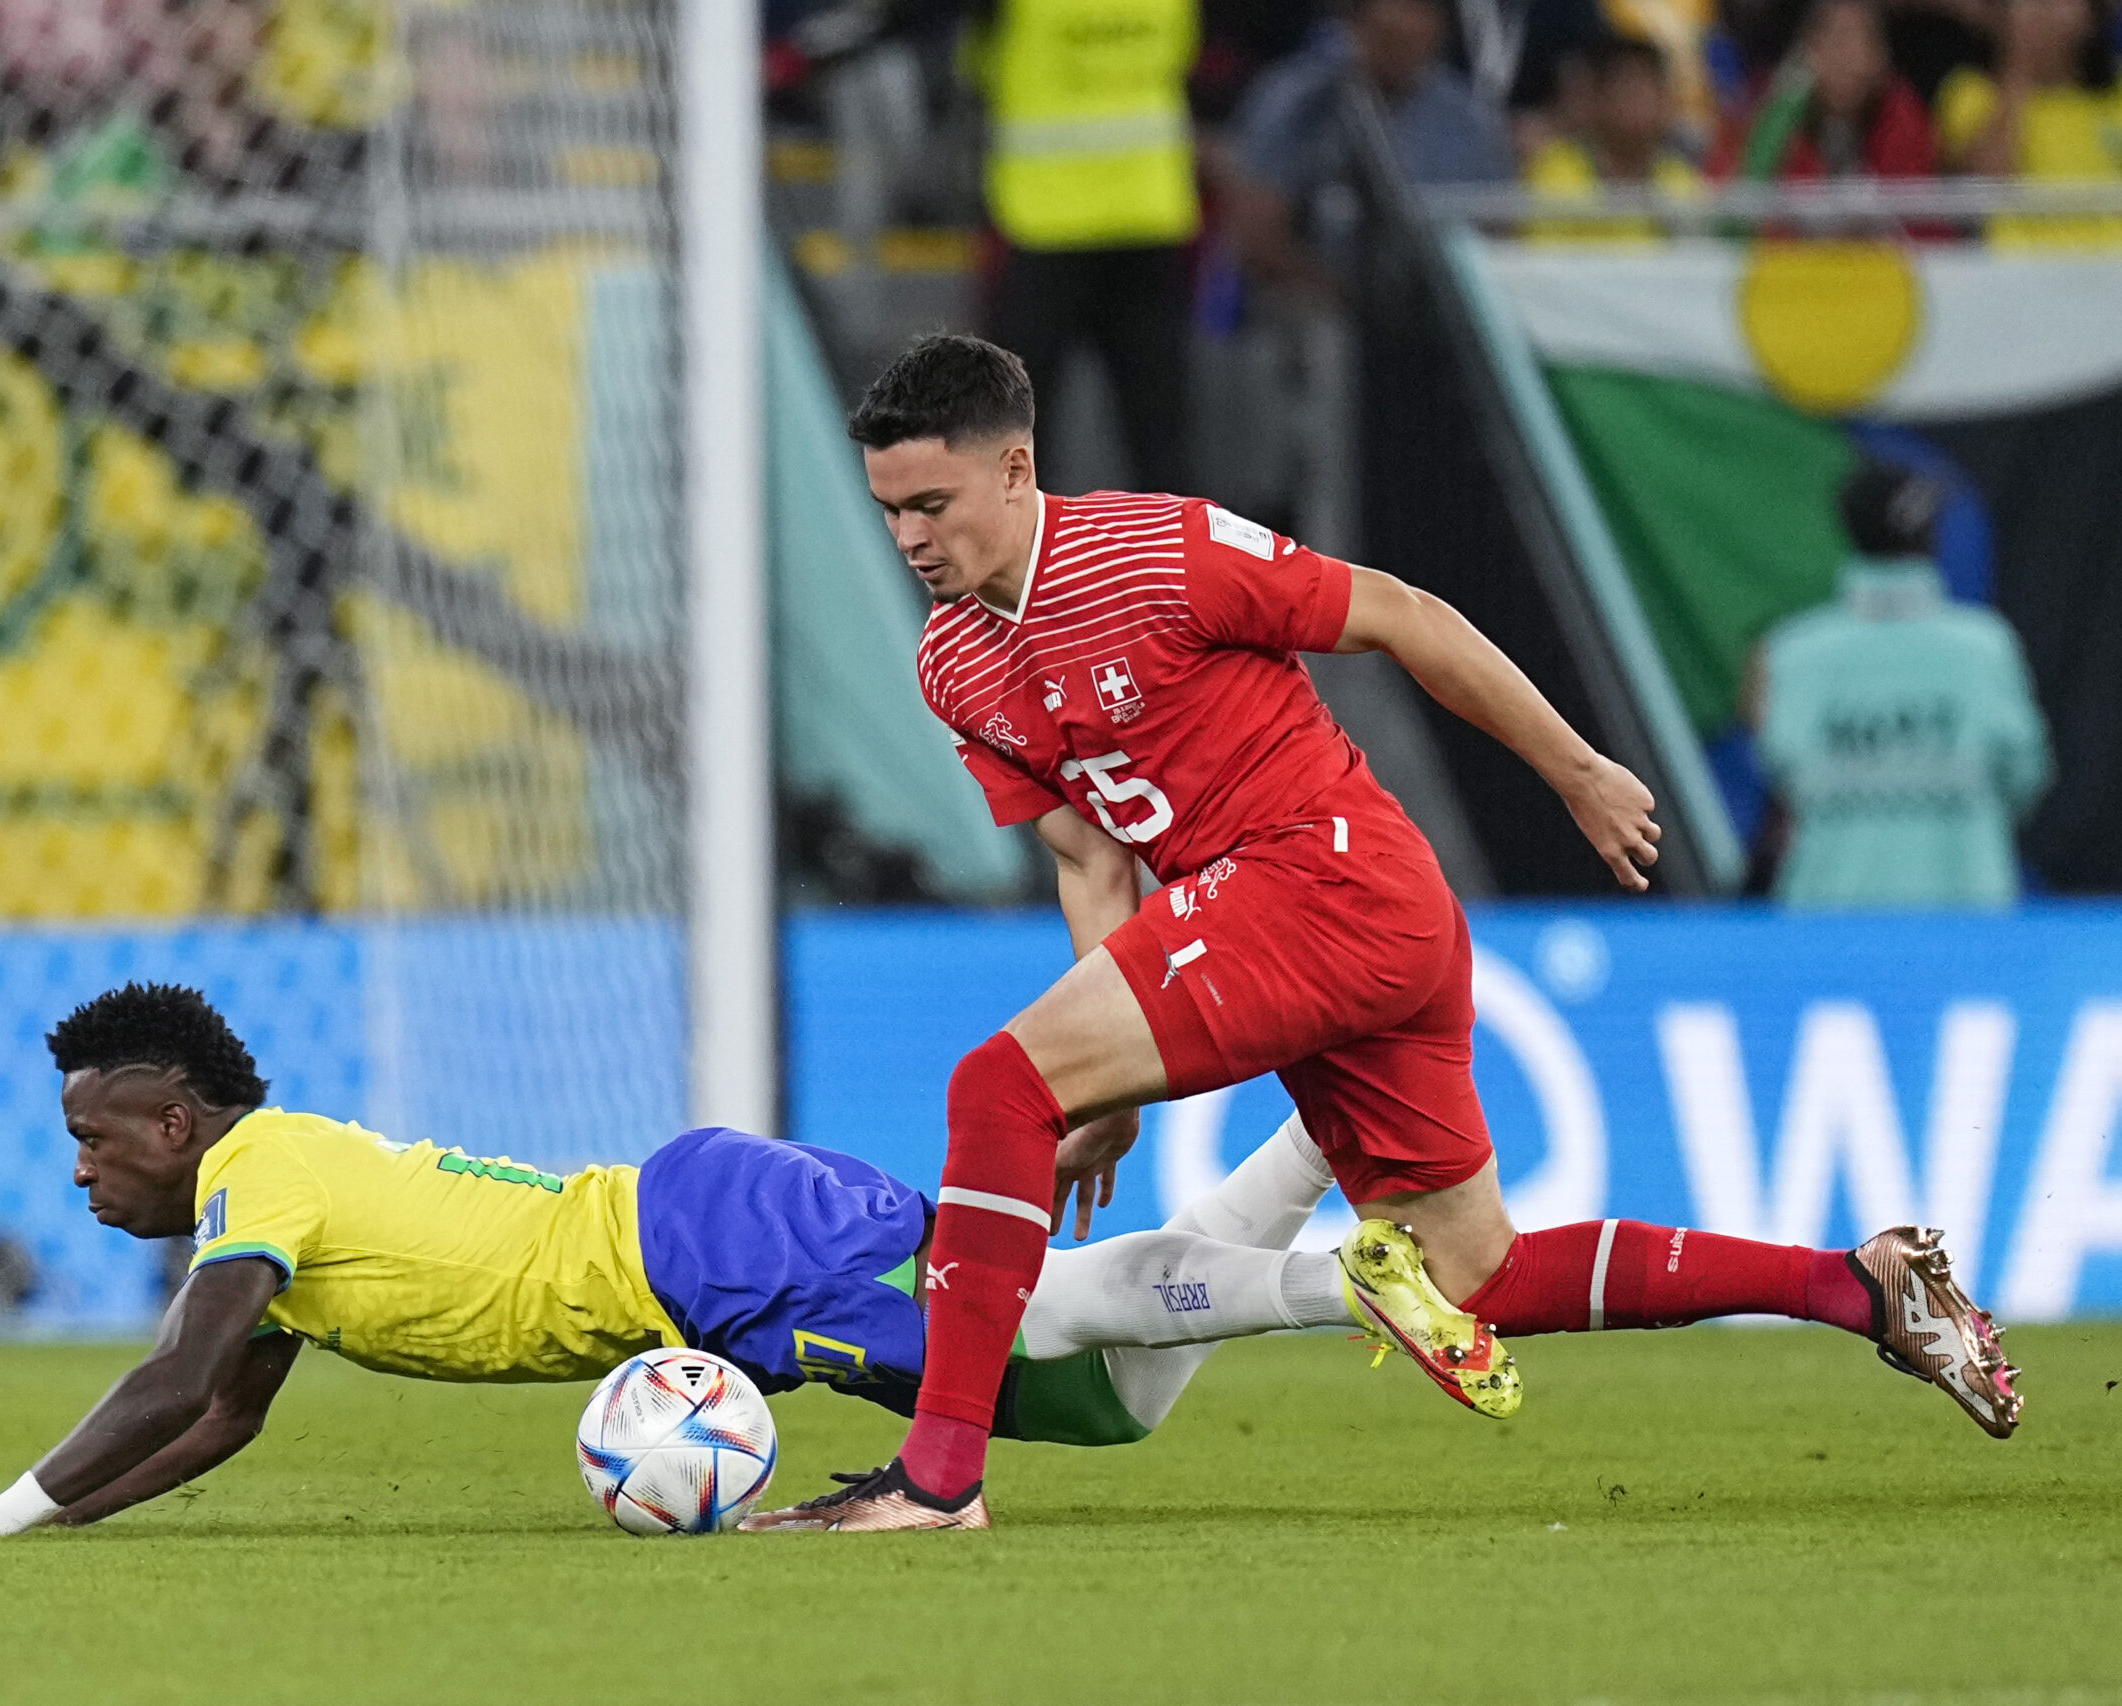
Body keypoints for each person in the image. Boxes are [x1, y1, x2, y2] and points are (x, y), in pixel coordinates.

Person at [740, 334, 2021, 1533]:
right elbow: (1088, 852)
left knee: (995, 1086)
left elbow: (1403, 613)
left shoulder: (1157, 552)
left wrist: (1574, 769)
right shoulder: (953, 663)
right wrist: (1110, 1093)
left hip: (1320, 878)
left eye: (932, 504)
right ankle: (1855, 1285)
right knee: (1476, 1277)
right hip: (1298, 923)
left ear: (1016, 467)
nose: (909, 538)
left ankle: (938, 1477)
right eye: (889, 512)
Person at [0, 981, 1365, 1537]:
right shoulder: (278, 1207)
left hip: (694, 1245)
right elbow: (220, 1415)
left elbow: (174, 1376)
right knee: (1092, 1405)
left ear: (173, 1121)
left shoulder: (258, 1171)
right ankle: (1317, 1135)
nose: (81, 1170)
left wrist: (2, 1515)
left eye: (92, 1138)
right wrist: (61, 1520)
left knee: (1037, 1317)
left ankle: (1345, 1279)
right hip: (708, 1262)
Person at [1755, 461, 2051, 908]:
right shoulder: (1984, 647)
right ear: (1931, 534)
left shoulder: (1794, 651)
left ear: (1848, 530)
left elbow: (1780, 771)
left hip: (1831, 914)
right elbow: (2025, 774)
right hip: (1965, 910)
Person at [974, 0, 1202, 494]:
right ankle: (1170, 548)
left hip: (1043, 223)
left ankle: (1022, 547)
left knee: (1016, 441)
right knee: (1160, 445)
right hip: (1147, 216)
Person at [1224, 0, 1512, 292]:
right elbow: (1256, 232)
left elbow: (1498, 229)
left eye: (1422, 15)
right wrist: (1341, 294)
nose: (1407, 29)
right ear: (1356, 21)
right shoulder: (1300, 99)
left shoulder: (1466, 116)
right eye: (1391, 27)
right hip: (1312, 292)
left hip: (1439, 296)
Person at [1936, 0, 2122, 247]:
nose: (2041, 14)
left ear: (2090, 17)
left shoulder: (2115, 96)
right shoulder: (1970, 94)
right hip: (2018, 263)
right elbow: (1984, 189)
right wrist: (2018, 77)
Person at [1709, 0, 1938, 183]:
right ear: (1808, 49)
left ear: (1881, 56)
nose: (1846, 59)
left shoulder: (1902, 114)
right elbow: (1737, 199)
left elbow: (1918, 211)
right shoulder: (1775, 114)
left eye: (1859, 43)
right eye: (1836, 42)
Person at [1525, 36, 1704, 242]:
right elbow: (1542, 257)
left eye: (1647, 88)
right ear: (1598, 98)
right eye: (1627, 87)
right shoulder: (1557, 170)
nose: (1638, 101)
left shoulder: (1678, 177)